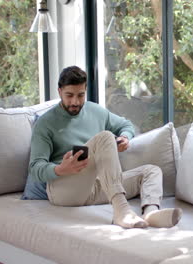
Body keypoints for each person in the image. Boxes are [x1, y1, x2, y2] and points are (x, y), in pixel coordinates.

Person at [29, 65, 182, 229]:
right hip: (63, 189)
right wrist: (60, 169)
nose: (75, 101)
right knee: (106, 137)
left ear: (85, 90)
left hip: (97, 187)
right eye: (69, 95)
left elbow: (126, 125)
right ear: (59, 92)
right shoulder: (45, 123)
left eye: (80, 95)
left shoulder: (95, 111)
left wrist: (125, 137)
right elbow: (35, 167)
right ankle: (121, 211)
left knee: (151, 171)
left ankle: (150, 213)